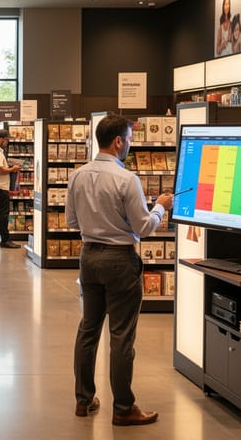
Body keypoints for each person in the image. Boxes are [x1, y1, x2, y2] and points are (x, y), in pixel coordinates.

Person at [65, 114, 173, 427]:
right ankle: (124, 407)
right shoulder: (127, 179)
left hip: (89, 257)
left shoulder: (78, 175)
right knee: (122, 337)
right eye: (129, 138)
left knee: (88, 329)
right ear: (118, 141)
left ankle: (83, 400)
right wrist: (160, 207)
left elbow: (72, 222)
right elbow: (144, 227)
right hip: (120, 261)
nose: (130, 144)